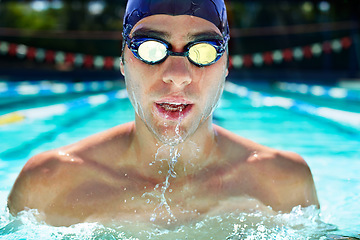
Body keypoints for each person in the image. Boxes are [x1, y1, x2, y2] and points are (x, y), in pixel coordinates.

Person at [7, 0, 319, 227]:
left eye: (204, 50)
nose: (177, 75)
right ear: (123, 60)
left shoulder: (284, 183)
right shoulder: (48, 185)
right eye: (150, 47)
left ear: (225, 65)